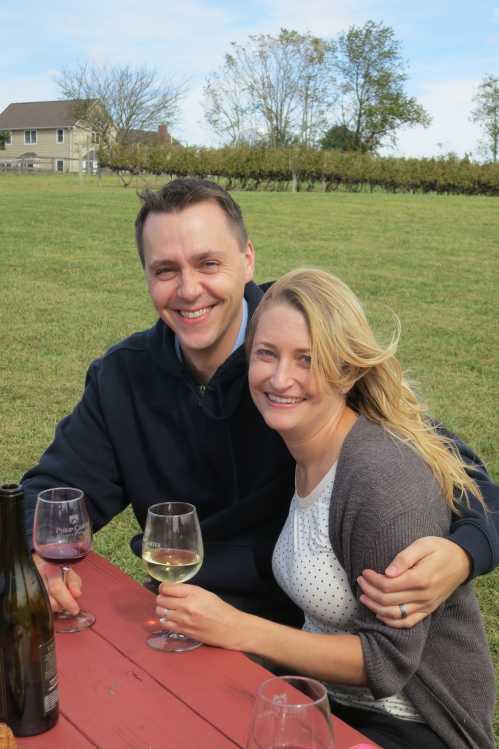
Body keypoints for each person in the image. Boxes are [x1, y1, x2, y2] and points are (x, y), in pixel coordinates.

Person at [22, 179, 499, 629]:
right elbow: (51, 493)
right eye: (166, 270)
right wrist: (38, 550)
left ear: (247, 259)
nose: (188, 290)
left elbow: (459, 475)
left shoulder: (304, 351)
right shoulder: (123, 377)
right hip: (181, 615)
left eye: (208, 264)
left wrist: (465, 553)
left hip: (300, 630)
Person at [154, 268, 495, 749]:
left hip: (413, 726)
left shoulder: (379, 479)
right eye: (266, 354)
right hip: (323, 703)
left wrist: (237, 629)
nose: (280, 378)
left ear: (347, 370)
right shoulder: (301, 447)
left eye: (307, 360)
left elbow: (386, 662)